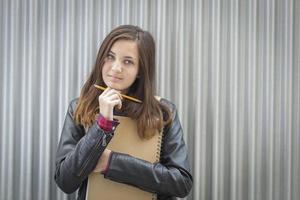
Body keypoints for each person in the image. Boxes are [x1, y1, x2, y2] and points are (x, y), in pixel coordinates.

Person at [54, 25, 193, 200]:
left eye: (128, 61)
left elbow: (181, 183)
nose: (116, 68)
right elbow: (65, 181)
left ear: (141, 70)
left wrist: (112, 163)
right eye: (110, 57)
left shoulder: (163, 112)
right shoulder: (80, 107)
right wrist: (103, 124)